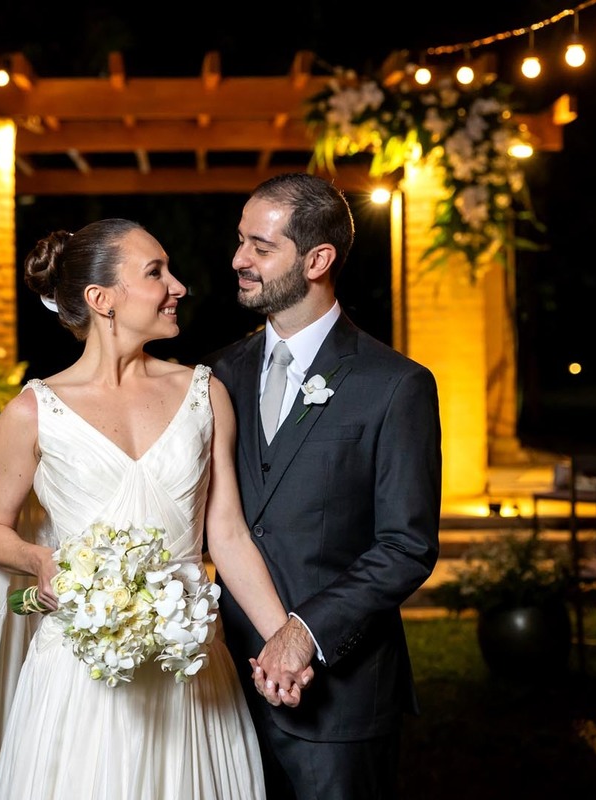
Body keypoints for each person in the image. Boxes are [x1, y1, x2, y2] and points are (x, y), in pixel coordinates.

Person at [0, 217, 308, 800]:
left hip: (189, 671)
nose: (178, 286)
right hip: (80, 671)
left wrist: (284, 641)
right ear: (100, 299)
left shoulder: (205, 394)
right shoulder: (33, 413)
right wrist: (39, 559)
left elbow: (226, 534)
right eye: (156, 272)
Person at [208, 172, 442, 800]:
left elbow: (406, 546)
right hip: (222, 688)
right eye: (239, 242)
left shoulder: (395, 385)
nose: (239, 260)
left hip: (340, 701)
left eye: (260, 247)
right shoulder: (222, 373)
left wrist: (303, 633)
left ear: (317, 259)